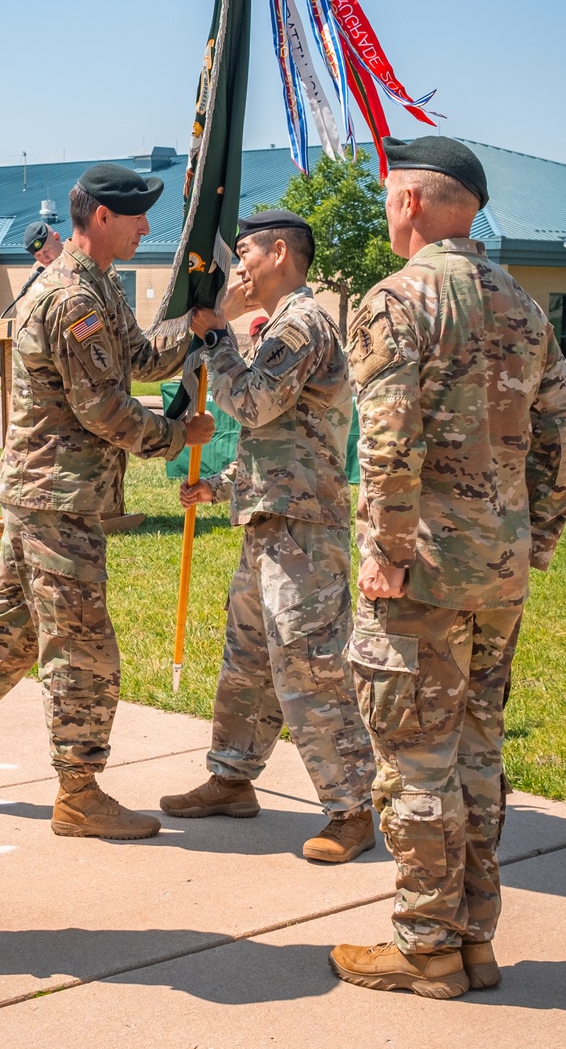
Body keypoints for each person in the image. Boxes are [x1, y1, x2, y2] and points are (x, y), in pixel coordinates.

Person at [329, 137, 566, 999]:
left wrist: (387, 556)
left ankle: (426, 945)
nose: (389, 208)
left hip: (424, 575)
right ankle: (474, 936)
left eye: (392, 195)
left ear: (412, 204)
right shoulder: (519, 299)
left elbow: (388, 443)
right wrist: (536, 536)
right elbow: (565, 431)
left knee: (414, 758)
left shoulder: (400, 299)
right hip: (497, 571)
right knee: (476, 750)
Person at [0, 163, 216, 839]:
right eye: (137, 215)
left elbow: (137, 357)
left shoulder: (98, 287)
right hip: (59, 501)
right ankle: (78, 793)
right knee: (84, 651)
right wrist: (177, 435)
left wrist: (193, 331)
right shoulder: (72, 299)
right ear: (102, 218)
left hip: (47, 496)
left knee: (11, 640)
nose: (147, 227)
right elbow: (104, 409)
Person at [160, 210, 376, 863]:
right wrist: (220, 485)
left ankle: (352, 806)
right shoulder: (284, 326)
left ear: (280, 253)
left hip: (305, 535)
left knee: (308, 666)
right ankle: (232, 778)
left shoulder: (303, 323)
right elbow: (278, 440)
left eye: (246, 250)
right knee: (248, 662)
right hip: (271, 524)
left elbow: (251, 404)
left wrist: (217, 334)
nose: (239, 265)